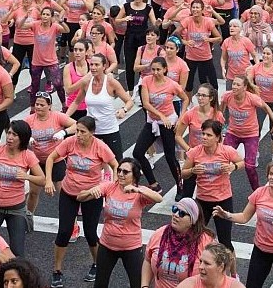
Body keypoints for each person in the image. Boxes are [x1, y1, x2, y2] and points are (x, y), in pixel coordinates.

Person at [44, 116, 118, 288]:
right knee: (64, 232)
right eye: (77, 130)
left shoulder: (100, 146)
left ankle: (97, 264)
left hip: (91, 195)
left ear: (92, 133)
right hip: (69, 192)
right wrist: (48, 180)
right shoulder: (70, 142)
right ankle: (57, 270)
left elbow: (115, 165)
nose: (79, 135)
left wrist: (111, 187)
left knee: (91, 233)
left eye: (83, 132)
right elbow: (50, 158)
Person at [213, 162, 273, 288]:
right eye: (270, 174)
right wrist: (227, 215)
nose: (272, 177)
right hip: (261, 250)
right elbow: (244, 217)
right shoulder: (259, 193)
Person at [75, 158, 162, 288]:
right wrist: (90, 192)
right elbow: (79, 197)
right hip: (107, 245)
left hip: (131, 247)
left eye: (125, 172)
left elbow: (159, 198)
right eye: (119, 170)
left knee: (137, 284)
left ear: (134, 175)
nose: (120, 174)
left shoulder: (139, 192)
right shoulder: (110, 187)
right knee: (100, 284)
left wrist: (138, 190)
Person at [0, 120, 46, 258]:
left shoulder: (27, 155)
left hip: (16, 209)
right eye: (9, 133)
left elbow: (42, 179)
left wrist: (27, 177)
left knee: (17, 252)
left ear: (22, 138)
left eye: (14, 134)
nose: (10, 137)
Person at [181, 119, 243, 251]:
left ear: (217, 138)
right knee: (194, 237)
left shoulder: (227, 151)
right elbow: (183, 174)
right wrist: (192, 171)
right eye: (203, 134)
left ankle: (231, 272)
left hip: (223, 201)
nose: (204, 137)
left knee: (225, 241)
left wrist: (233, 166)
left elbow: (242, 162)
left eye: (208, 135)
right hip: (202, 201)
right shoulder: (194, 152)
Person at [133, 56, 190, 193]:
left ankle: (180, 187)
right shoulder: (146, 81)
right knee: (138, 152)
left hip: (168, 123)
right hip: (153, 121)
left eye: (159, 69)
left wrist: (181, 116)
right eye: (153, 69)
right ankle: (153, 184)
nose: (156, 72)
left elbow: (185, 99)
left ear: (165, 69)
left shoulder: (172, 84)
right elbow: (146, 103)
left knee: (170, 157)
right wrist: (160, 115)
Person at [65, 53, 135, 161]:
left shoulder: (111, 82)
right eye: (91, 64)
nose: (93, 67)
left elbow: (129, 101)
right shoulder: (86, 82)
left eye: (96, 65)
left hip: (109, 130)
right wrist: (64, 118)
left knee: (116, 163)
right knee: (90, 162)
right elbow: (76, 102)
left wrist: (123, 110)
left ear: (104, 66)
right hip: (91, 131)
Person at [142, 197, 215, 288]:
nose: (175, 215)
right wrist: (144, 286)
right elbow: (148, 260)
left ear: (192, 220)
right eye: (175, 209)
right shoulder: (160, 234)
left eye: (182, 213)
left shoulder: (205, 242)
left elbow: (216, 274)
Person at [221, 75, 273, 191]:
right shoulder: (227, 96)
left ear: (244, 87)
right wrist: (219, 122)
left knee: (250, 167)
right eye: (234, 84)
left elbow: (266, 107)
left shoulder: (252, 98)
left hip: (250, 135)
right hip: (233, 133)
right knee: (221, 160)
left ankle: (257, 191)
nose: (234, 87)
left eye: (238, 85)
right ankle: (219, 188)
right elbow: (220, 110)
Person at [25, 92, 76, 218]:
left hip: (57, 161)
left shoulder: (57, 117)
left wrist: (64, 132)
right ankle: (28, 218)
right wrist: (28, 138)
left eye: (42, 105)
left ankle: (72, 224)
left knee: (64, 195)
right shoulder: (29, 120)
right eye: (37, 104)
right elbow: (18, 132)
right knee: (33, 193)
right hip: (38, 163)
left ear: (50, 106)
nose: (38, 107)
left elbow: (77, 125)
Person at [175, 84, 225, 199]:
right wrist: (189, 150)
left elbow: (220, 137)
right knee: (187, 191)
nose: (200, 98)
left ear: (211, 98)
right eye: (198, 95)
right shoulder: (190, 114)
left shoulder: (217, 115)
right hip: (194, 156)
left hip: (211, 156)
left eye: (203, 96)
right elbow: (178, 135)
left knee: (212, 191)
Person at [246, 45, 273, 161]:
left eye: (268, 54)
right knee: (256, 127)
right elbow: (248, 79)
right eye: (264, 53)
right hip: (260, 102)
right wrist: (252, 85)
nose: (265, 56)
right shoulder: (257, 67)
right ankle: (255, 152)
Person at [175, 243, 245, 288]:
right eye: (201, 261)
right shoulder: (188, 285)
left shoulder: (235, 286)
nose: (200, 267)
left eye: (207, 263)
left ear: (221, 267)